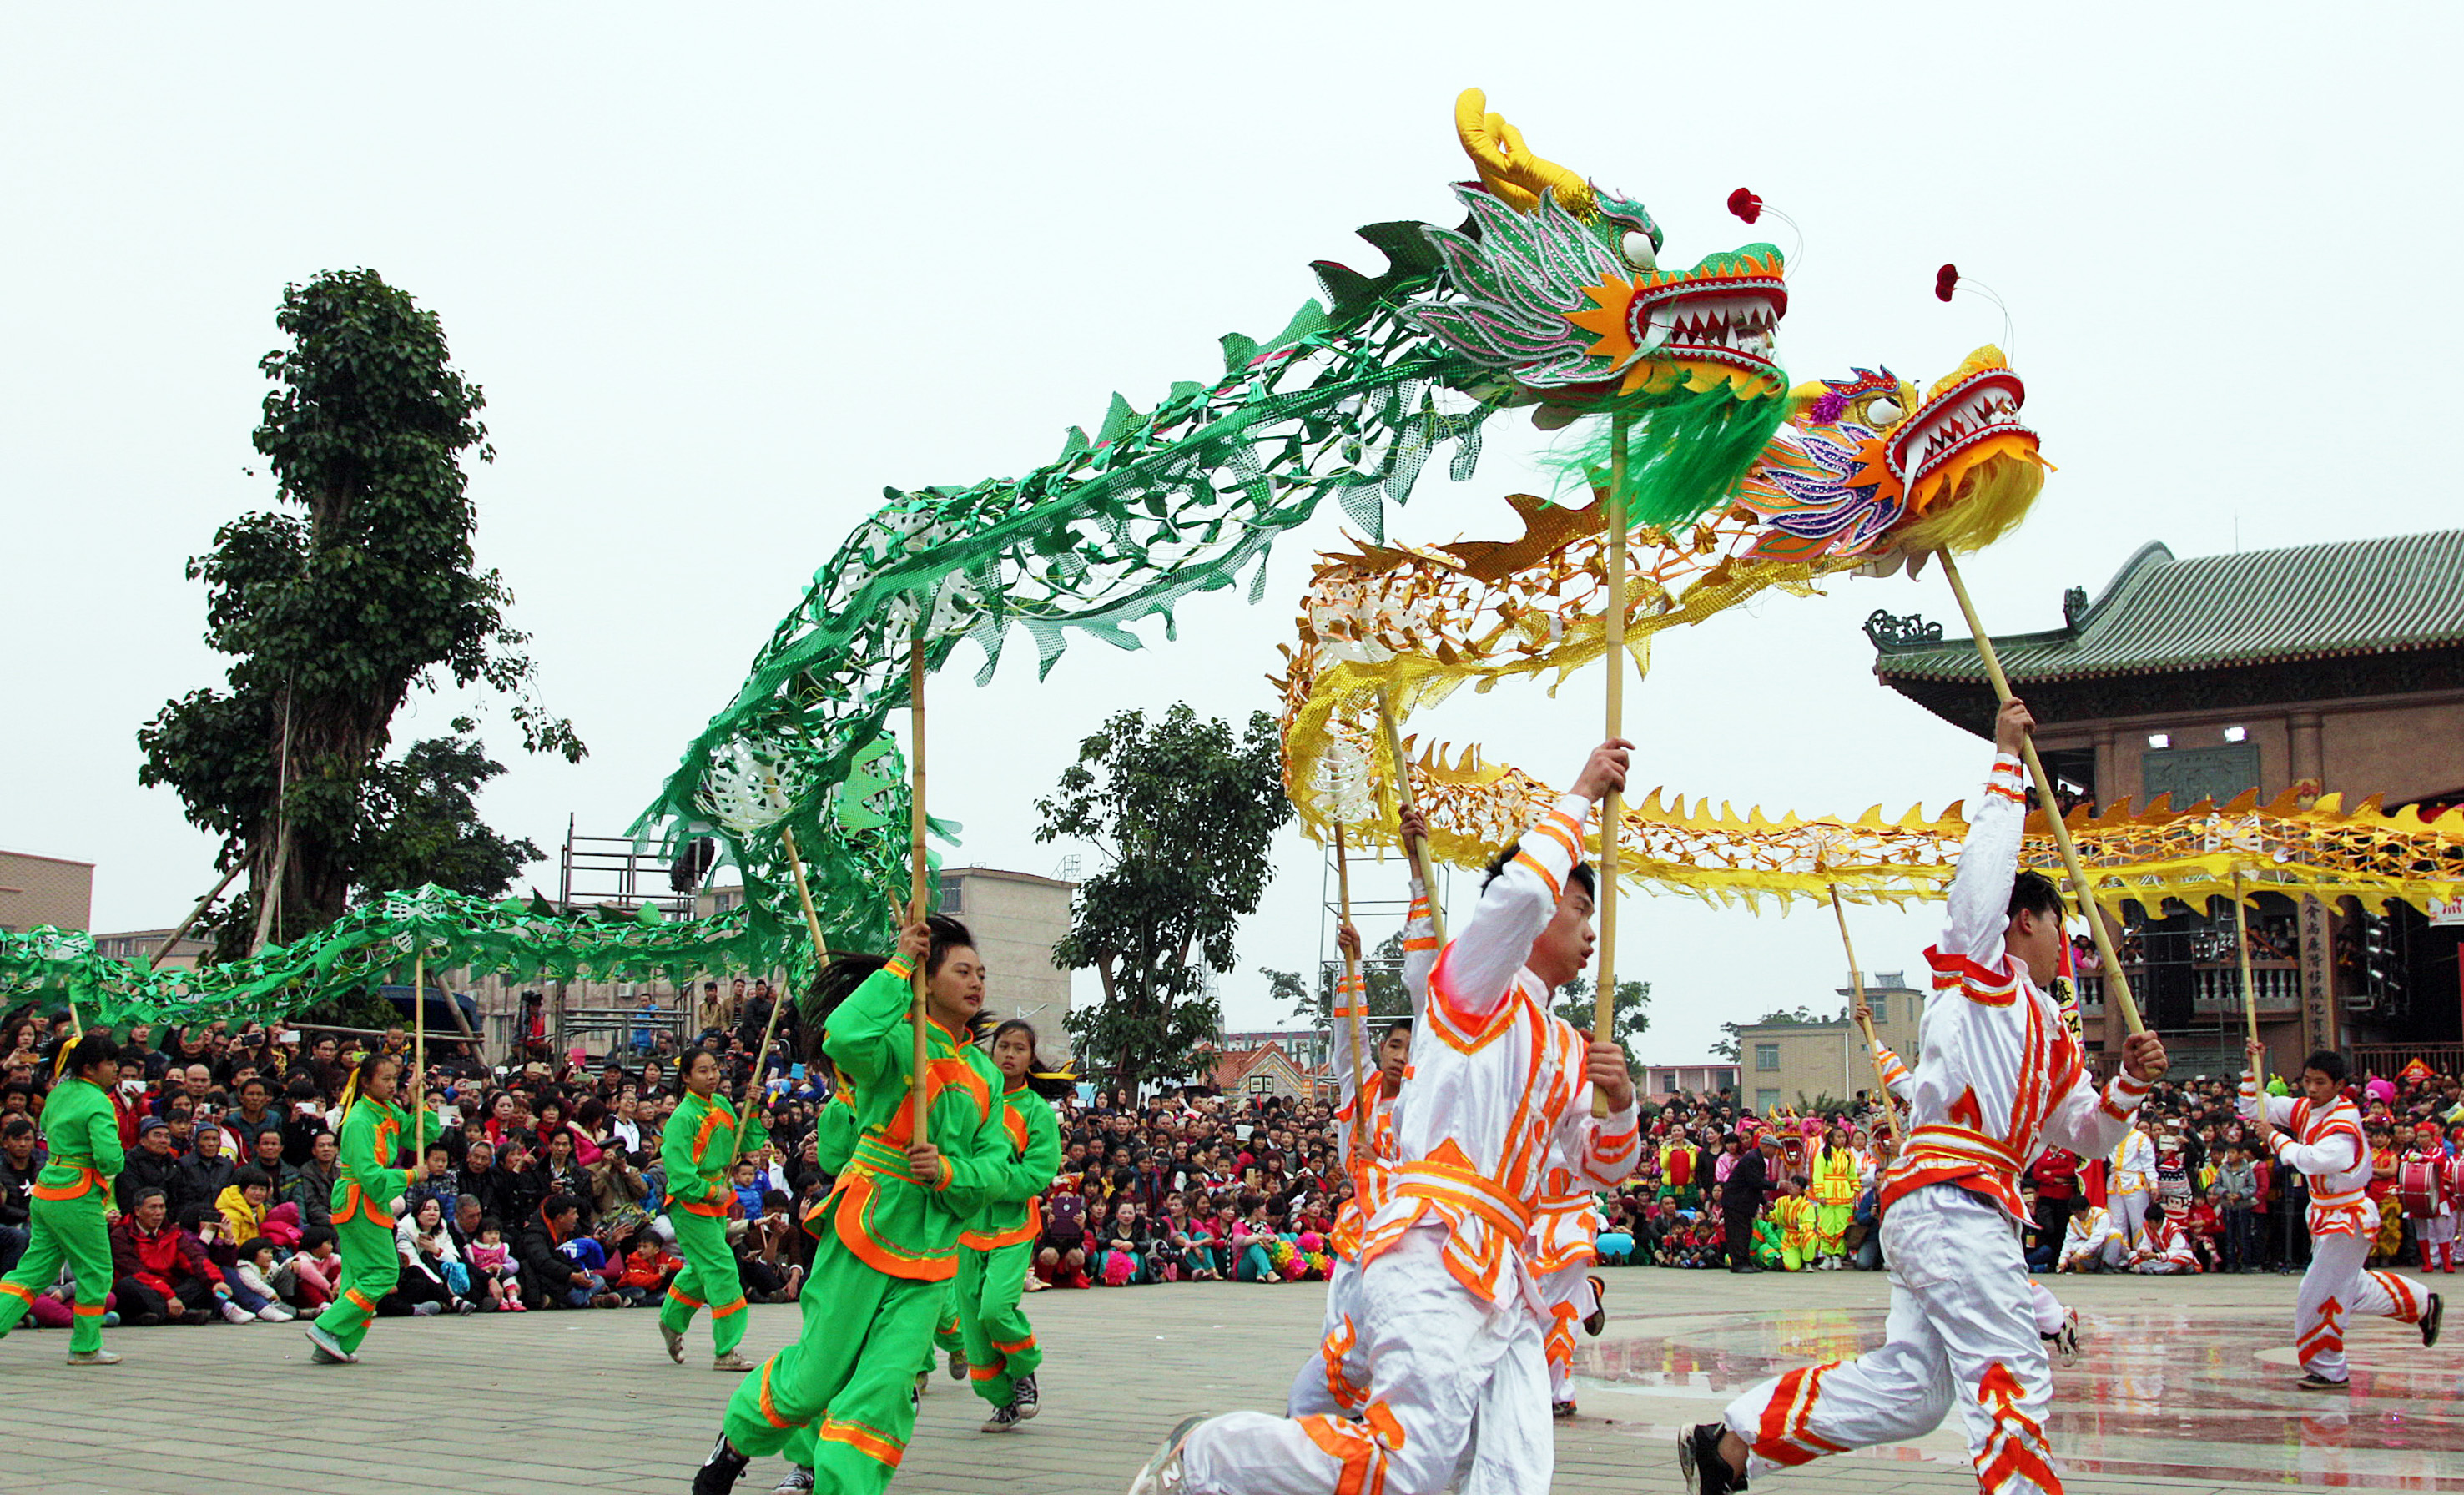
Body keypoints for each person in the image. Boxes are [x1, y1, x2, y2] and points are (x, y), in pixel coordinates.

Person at [1132, 739, 1643, 1495]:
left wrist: (1623, 1103)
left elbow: (1603, 1167)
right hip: (1432, 1247)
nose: (1589, 929)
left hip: (1509, 1274)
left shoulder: (1571, 1046)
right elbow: (1519, 896)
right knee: (1408, 1463)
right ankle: (1211, 1455)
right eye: (1578, 907)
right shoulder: (1471, 990)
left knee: (1516, 1467)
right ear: (1528, 921)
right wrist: (1577, 793)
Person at [1687, 699, 2169, 1495]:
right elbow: (1979, 880)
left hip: (1956, 1206)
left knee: (1916, 1392)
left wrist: (2129, 1084)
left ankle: (1734, 1439)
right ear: (2021, 923)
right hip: (1950, 1200)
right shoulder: (1978, 976)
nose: (2066, 942)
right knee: (2011, 1371)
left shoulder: (2050, 1029)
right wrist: (2006, 764)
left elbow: (2082, 1134)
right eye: (2057, 924)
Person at [694, 914, 1016, 1495]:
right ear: (927, 977)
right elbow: (844, 1038)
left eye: (982, 974)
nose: (976, 983)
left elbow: (996, 1165)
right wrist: (897, 964)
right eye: (961, 970)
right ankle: (738, 1438)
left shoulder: (984, 1076)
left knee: (887, 1385)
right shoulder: (896, 1042)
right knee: (817, 1376)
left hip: (931, 1246)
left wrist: (949, 1171)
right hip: (866, 1226)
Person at [2239, 1039, 2441, 1389]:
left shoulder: (2342, 1119)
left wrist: (2275, 1139)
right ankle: (2423, 1303)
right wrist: (2251, 1068)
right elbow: (2256, 1107)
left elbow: (2320, 1159)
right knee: (2349, 1285)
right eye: (2308, 1081)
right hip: (2325, 1212)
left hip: (2346, 1215)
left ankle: (2328, 1368)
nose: (2312, 1088)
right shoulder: (2305, 1108)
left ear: (2338, 1086)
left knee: (2316, 1293)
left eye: (2320, 1083)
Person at [960, 1019, 1068, 1432]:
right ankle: (1001, 1400)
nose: (1009, 1054)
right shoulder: (972, 1100)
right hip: (966, 1226)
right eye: (1003, 1046)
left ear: (1031, 1058)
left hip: (1012, 1225)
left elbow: (1037, 1173)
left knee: (995, 1309)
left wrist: (987, 1182)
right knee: (972, 1325)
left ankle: (1024, 1369)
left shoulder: (1036, 1111)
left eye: (1019, 1048)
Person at [0, 1032, 125, 1364]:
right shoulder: (98, 1100)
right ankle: (86, 1346)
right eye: (110, 1062)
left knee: (30, 1271)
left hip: (47, 1188)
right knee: (96, 1271)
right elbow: (110, 1159)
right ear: (89, 1067)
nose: (116, 1068)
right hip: (78, 1192)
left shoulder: (58, 1093)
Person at [659, 1045, 768, 1372]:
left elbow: (747, 1144)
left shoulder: (720, 1105)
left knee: (703, 1267)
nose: (711, 1076)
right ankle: (726, 1349)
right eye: (703, 1071)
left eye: (714, 1069)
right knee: (721, 1268)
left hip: (718, 1200)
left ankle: (671, 1320)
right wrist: (710, 1190)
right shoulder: (682, 1118)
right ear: (686, 1077)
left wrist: (751, 1109)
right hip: (692, 1203)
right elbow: (679, 1177)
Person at [303, 1049, 411, 1365]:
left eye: (395, 1078)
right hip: (360, 1197)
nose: (392, 1085)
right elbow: (369, 1174)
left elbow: (418, 1131)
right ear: (366, 1082)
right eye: (385, 1078)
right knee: (384, 1271)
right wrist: (411, 1174)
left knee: (356, 1275)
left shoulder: (386, 1110)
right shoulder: (361, 1119)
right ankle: (327, 1325)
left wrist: (418, 1099)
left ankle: (337, 1342)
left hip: (367, 1198)